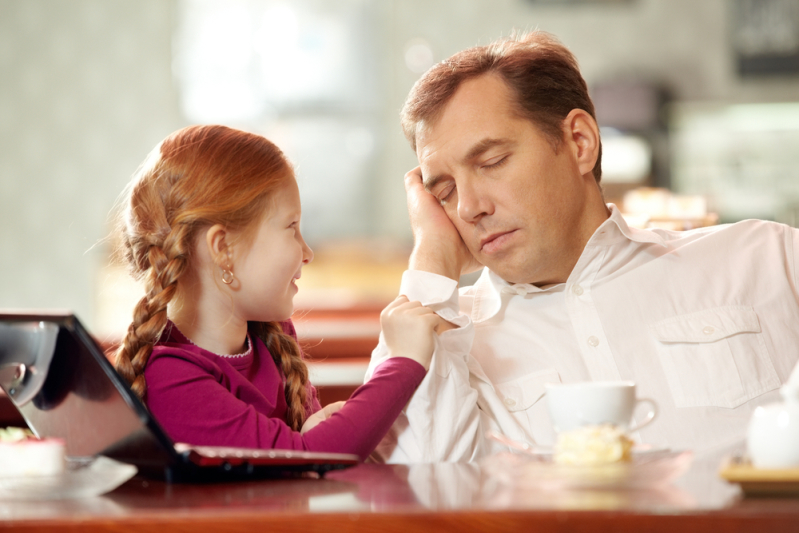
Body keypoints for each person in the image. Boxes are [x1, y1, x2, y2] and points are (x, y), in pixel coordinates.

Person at [365, 31, 799, 462]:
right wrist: (430, 264)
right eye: (444, 193)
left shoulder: (767, 259)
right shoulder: (449, 342)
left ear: (579, 142)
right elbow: (410, 491)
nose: (469, 208)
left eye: (492, 162)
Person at [113, 124, 446, 462]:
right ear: (223, 248)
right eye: (291, 227)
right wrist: (403, 362)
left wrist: (310, 429)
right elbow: (310, 456)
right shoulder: (168, 377)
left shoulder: (271, 340)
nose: (307, 252)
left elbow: (297, 455)